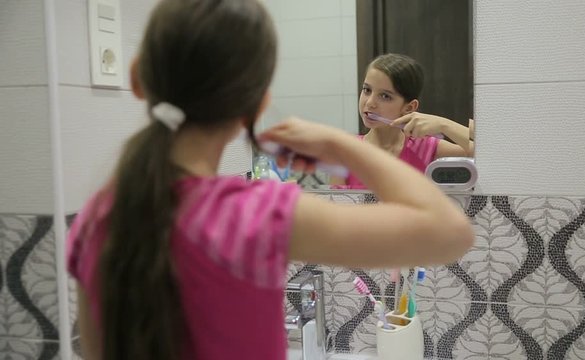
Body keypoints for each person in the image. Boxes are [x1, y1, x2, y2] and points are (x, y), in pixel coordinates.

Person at [65, 1, 474, 360]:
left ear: (137, 79)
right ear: (256, 104)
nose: (370, 102)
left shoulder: (95, 219)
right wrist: (342, 144)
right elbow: (450, 233)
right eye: (367, 91)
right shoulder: (255, 214)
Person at [334, 54, 474, 189]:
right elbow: (335, 206)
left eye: (385, 96)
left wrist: (444, 124)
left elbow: (488, 154)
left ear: (409, 107)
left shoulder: (425, 148)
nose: (370, 102)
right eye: (367, 90)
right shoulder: (345, 152)